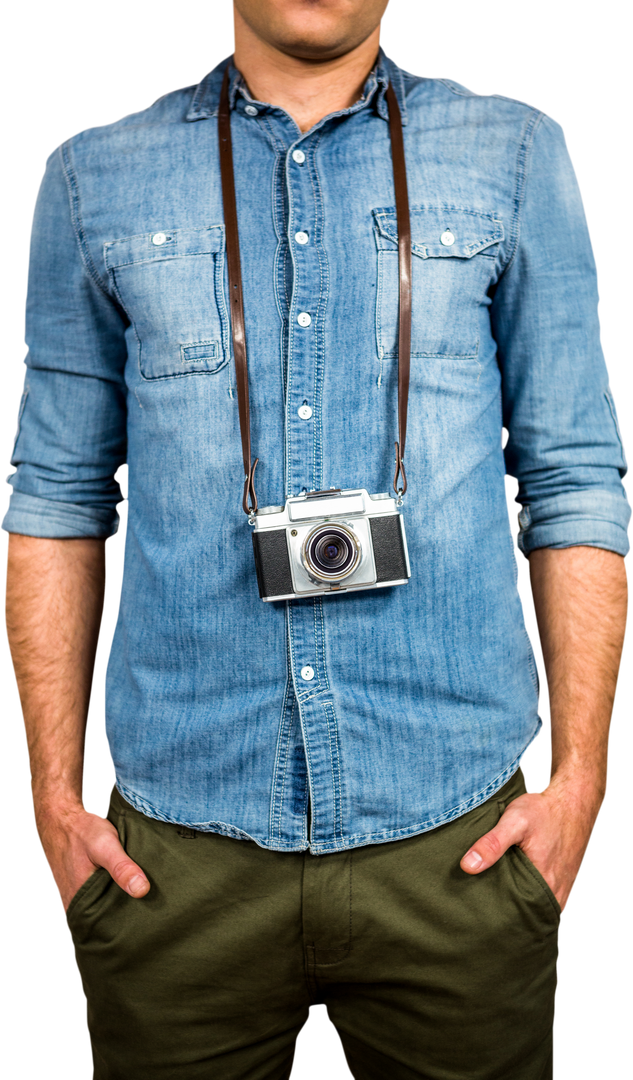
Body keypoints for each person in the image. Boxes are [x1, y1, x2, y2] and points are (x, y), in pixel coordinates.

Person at [2, 1, 631, 1077]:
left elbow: (574, 480)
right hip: (174, 855)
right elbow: (57, 502)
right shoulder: (89, 174)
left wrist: (580, 785)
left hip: (462, 841)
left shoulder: (519, 151)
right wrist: (52, 803)